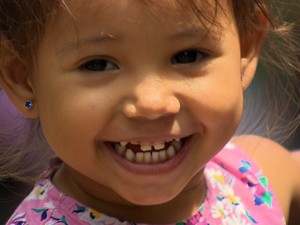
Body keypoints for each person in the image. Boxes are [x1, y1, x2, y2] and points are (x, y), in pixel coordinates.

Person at [0, 0, 299, 224]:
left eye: (187, 56)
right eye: (98, 64)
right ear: (23, 77)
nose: (152, 104)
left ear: (245, 50)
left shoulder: (252, 180)